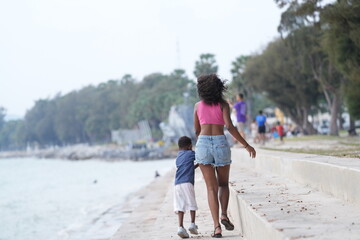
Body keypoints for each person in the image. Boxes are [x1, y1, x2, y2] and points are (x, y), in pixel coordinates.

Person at [194, 74, 256, 238]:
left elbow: (197, 131)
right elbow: (229, 126)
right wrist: (246, 145)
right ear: (219, 88)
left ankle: (216, 227)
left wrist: (200, 150)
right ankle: (224, 215)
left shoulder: (197, 106)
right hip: (221, 143)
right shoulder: (223, 105)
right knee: (223, 184)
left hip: (203, 144)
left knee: (210, 188)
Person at [174, 136, 199, 238]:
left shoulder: (178, 156)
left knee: (180, 206)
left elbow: (187, 167)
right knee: (191, 203)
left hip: (177, 184)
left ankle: (180, 227)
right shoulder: (191, 153)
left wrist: (196, 166)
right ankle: (192, 224)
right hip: (187, 183)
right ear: (189, 146)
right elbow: (201, 156)